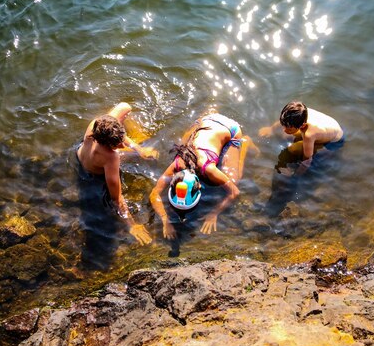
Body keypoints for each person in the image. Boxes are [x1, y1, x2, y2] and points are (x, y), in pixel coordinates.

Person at [149, 109, 252, 239]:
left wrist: (214, 213)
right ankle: (210, 112)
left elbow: (234, 192)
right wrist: (165, 221)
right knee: (184, 144)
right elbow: (154, 193)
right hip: (204, 122)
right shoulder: (177, 165)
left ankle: (246, 142)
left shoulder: (208, 169)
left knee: (233, 179)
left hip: (229, 128)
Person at [77, 102, 158, 245]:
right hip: (93, 175)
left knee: (125, 107)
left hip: (81, 155)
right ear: (109, 146)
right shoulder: (111, 158)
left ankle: (140, 149)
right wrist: (133, 225)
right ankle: (142, 148)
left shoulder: (95, 125)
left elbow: (124, 106)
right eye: (117, 145)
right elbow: (116, 198)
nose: (122, 145)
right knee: (144, 143)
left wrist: (138, 149)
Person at [259, 101, 344, 174]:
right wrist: (271, 129)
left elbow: (307, 160)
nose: (284, 129)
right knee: (286, 136)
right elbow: (284, 120)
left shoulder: (309, 135)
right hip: (329, 128)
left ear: (302, 125)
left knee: (294, 149)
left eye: (289, 128)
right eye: (284, 126)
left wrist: (297, 175)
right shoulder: (300, 113)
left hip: (334, 142)